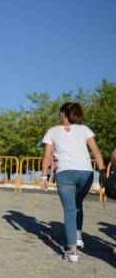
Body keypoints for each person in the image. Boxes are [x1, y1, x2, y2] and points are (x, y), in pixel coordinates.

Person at [40, 102, 105, 262]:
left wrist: (44, 176)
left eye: (59, 113)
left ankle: (73, 251)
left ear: (64, 114)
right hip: (86, 173)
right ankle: (77, 234)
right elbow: (96, 151)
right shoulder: (85, 129)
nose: (58, 116)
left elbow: (48, 156)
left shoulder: (52, 131)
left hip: (65, 172)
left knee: (70, 210)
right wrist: (102, 171)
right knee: (78, 204)